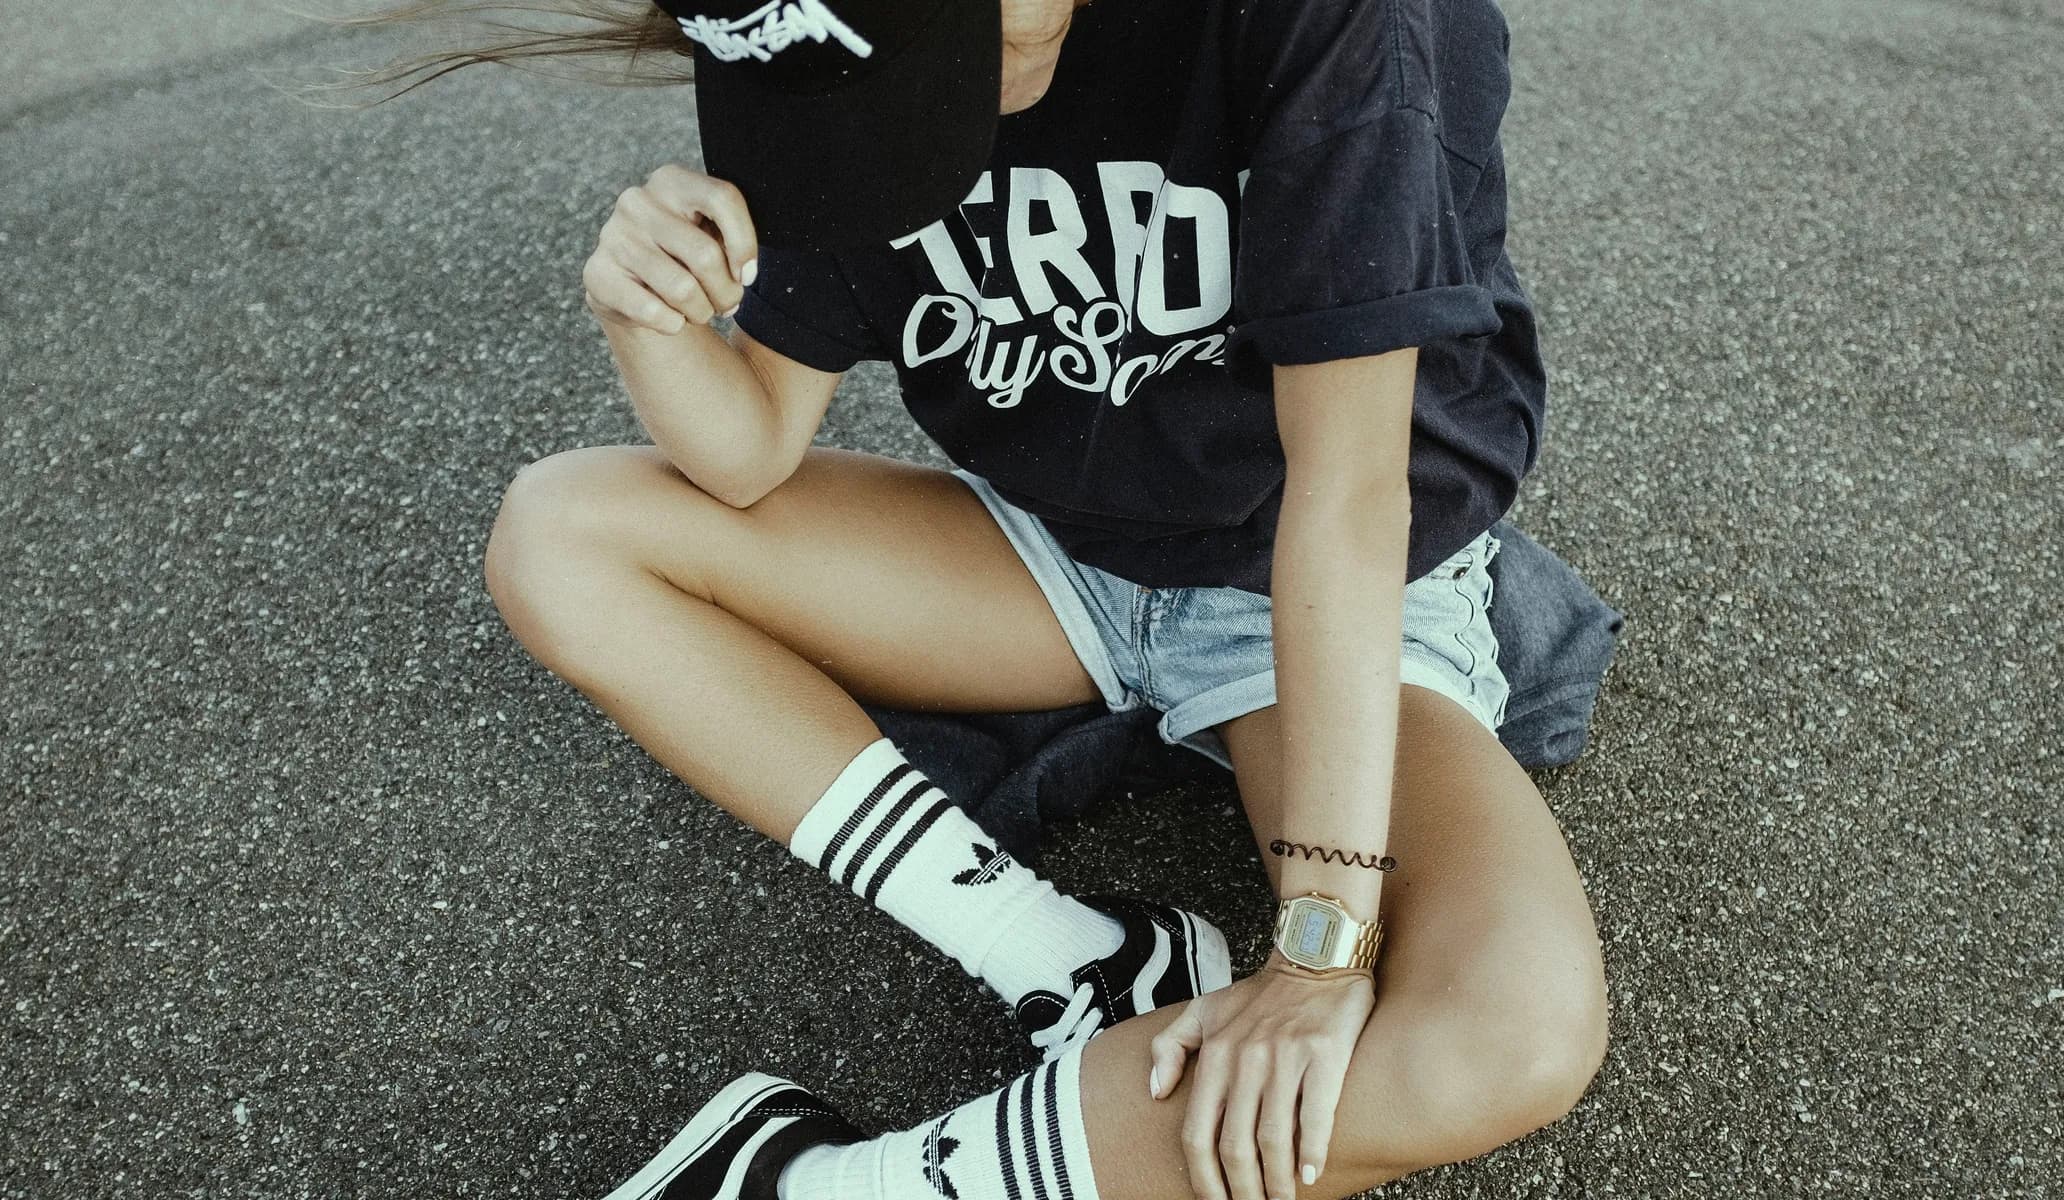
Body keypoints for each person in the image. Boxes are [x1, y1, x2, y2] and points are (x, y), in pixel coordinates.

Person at [324, 0, 1607, 1196]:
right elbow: (755, 438)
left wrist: (1322, 949)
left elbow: (1348, 489)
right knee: (562, 532)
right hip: (1050, 553)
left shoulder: (1329, 23)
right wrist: (646, 317)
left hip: (1305, 579)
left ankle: (814, 1187)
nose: (897, 129)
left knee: (1507, 1031)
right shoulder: (834, 60)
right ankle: (1073, 960)